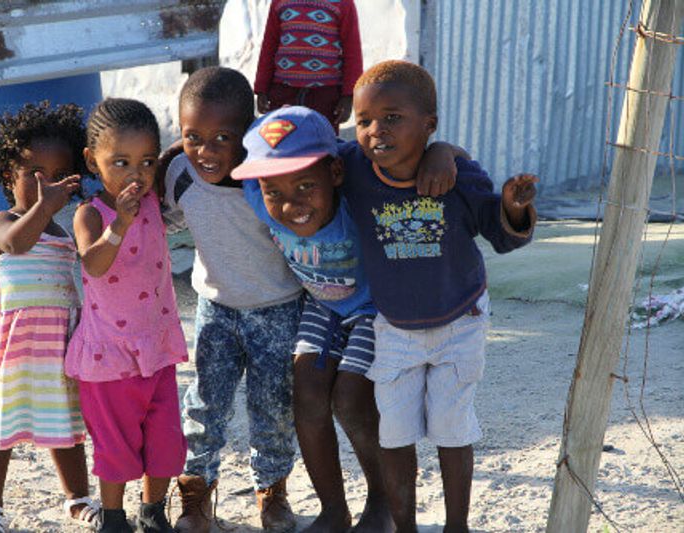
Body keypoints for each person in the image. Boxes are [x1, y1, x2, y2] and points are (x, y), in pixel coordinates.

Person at [342, 59, 539, 532]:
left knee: (452, 428)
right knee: (395, 433)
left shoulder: (457, 176)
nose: (375, 131)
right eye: (364, 120)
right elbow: (300, 152)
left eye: (393, 118)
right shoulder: (353, 169)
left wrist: (512, 205)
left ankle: (457, 526)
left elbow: (500, 232)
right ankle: (405, 526)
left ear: (429, 125)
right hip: (395, 325)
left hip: (459, 319)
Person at [232, 106, 394, 533]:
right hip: (323, 305)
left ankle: (383, 501)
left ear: (335, 173)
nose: (291, 204)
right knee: (305, 393)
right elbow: (226, 142)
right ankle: (334, 510)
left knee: (350, 398)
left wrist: (444, 155)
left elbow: (384, 154)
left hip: (373, 311)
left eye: (305, 185)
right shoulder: (257, 195)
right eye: (275, 191)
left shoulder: (359, 196)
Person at [161, 67, 303, 533]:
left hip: (278, 307)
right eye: (192, 136)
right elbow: (159, 219)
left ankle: (272, 492)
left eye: (222, 136)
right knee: (205, 403)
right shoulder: (178, 172)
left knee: (274, 406)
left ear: (249, 129)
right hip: (215, 308)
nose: (205, 150)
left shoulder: (269, 174)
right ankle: (196, 495)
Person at [0, 101, 100, 532]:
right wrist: (44, 207)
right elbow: (16, 243)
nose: (46, 184)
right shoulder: (2, 221)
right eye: (34, 173)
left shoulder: (66, 233)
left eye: (57, 174)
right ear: (9, 176)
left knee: (65, 428)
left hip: (57, 348)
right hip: (13, 348)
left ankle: (77, 499)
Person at [64, 98, 189, 533]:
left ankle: (153, 513)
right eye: (120, 162)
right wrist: (120, 222)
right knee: (115, 449)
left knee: (167, 443)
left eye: (146, 162)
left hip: (156, 348)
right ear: (92, 162)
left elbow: (182, 160)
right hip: (109, 359)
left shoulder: (152, 200)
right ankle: (114, 519)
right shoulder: (91, 214)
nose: (135, 174)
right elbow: (93, 264)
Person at [254, 0, 363, 133]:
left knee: (322, 145)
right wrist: (262, 89)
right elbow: (269, 45)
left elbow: (352, 51)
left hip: (325, 95)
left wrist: (348, 96)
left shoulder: (343, 3)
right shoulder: (279, 2)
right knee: (281, 144)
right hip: (282, 92)